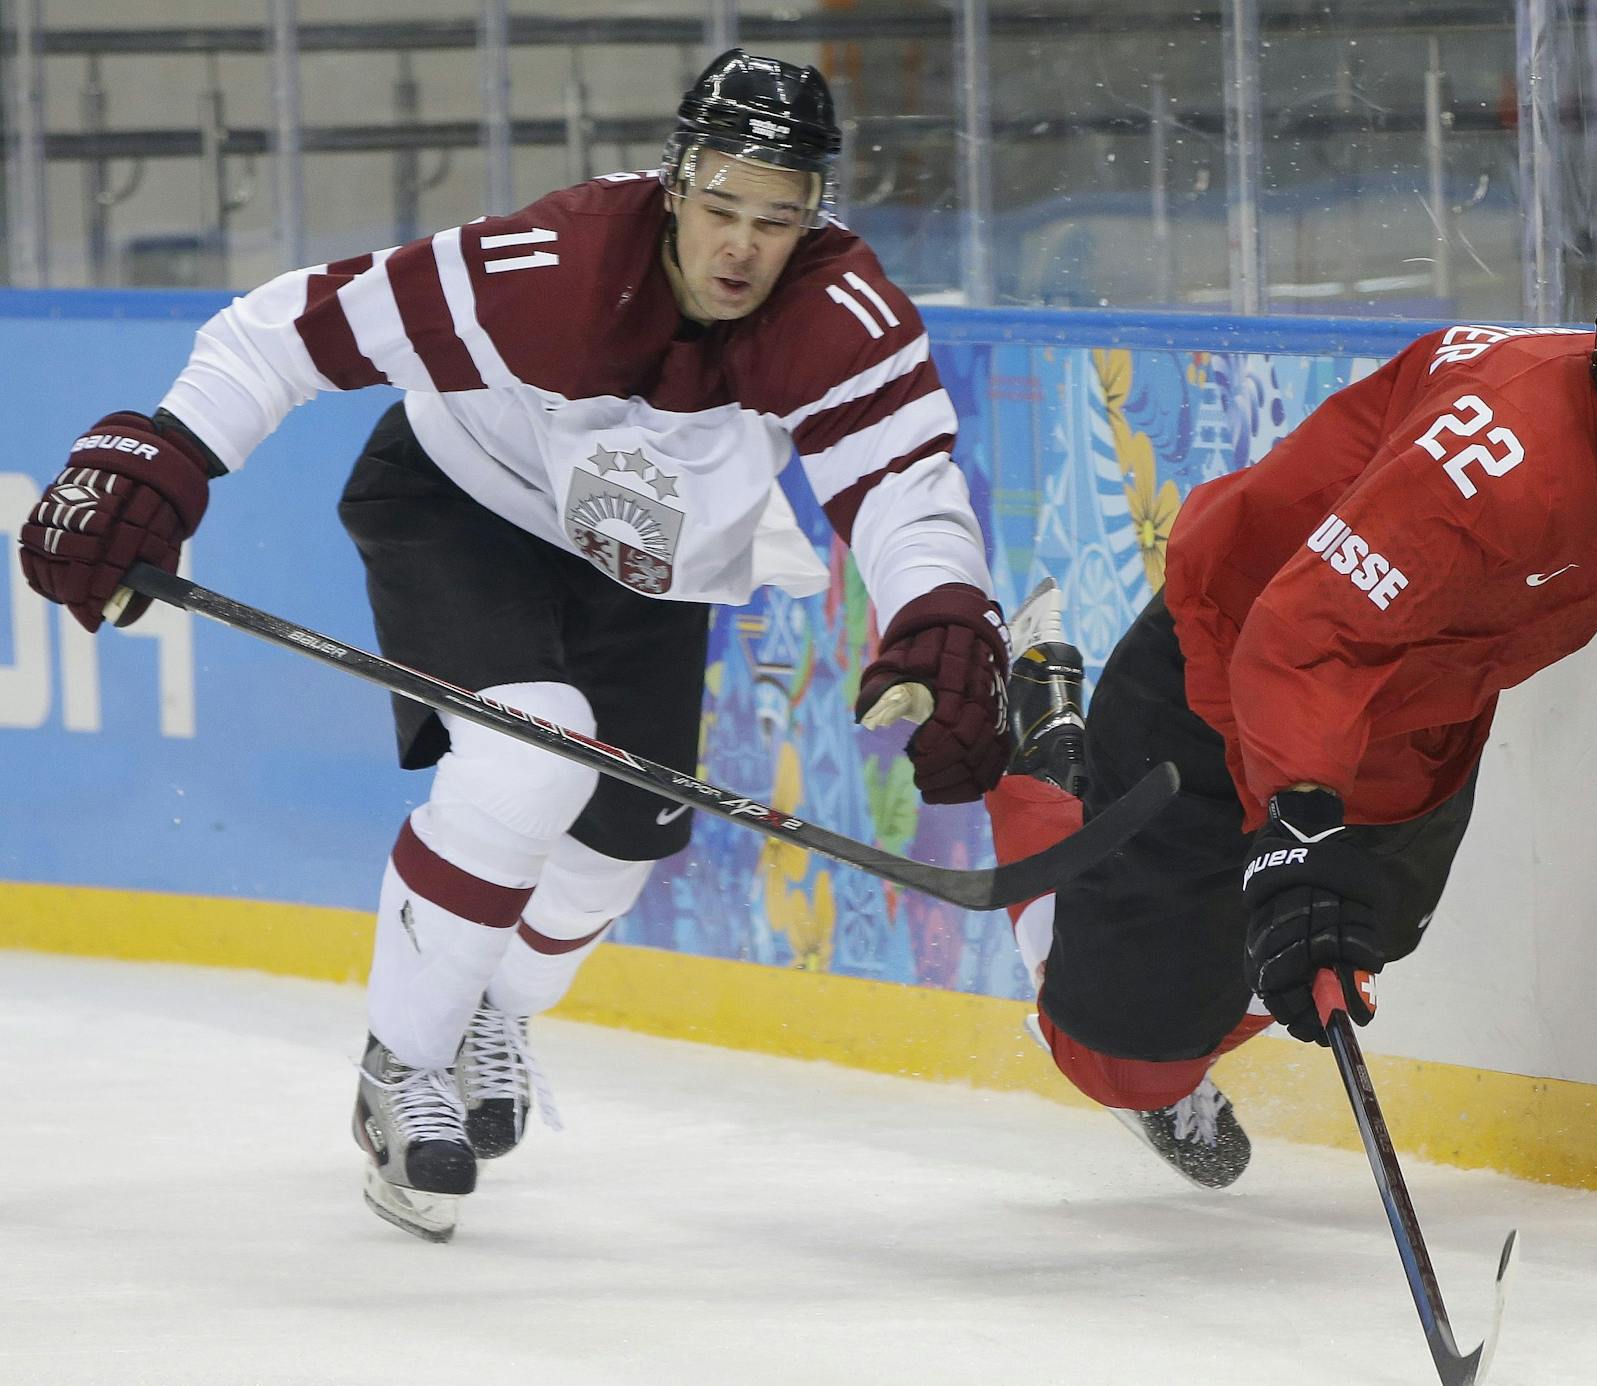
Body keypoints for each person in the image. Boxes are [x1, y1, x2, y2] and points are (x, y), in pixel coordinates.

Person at [17, 50, 1012, 1241]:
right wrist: (164, 453)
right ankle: (403, 1066)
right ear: (676, 180)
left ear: (816, 216)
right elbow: (280, 331)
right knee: (530, 755)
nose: (744, 248)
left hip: (651, 560)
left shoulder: (839, 317)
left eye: (778, 219)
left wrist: (945, 614)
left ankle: (496, 1002)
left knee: (618, 849)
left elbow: (903, 486)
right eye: (721, 209)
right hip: (460, 508)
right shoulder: (547, 267)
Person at [989, 223, 1597, 1187]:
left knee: (1346, 949)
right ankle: (1049, 754)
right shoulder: (1491, 457)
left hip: (1418, 705)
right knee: (1117, 1056)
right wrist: (1295, 824)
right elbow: (1305, 638)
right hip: (1229, 660)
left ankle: (1189, 998)